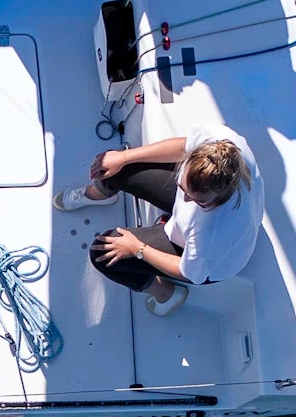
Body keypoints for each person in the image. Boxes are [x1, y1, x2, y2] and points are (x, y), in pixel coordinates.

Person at [55, 124, 265, 316]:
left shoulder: (212, 233)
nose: (185, 199)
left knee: (102, 253)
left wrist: (137, 249)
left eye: (196, 201)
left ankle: (166, 294)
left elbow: (189, 273)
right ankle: (99, 193)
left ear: (217, 199)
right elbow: (183, 145)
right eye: (183, 188)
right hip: (195, 225)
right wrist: (124, 157)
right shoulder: (222, 144)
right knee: (119, 166)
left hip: (202, 263)